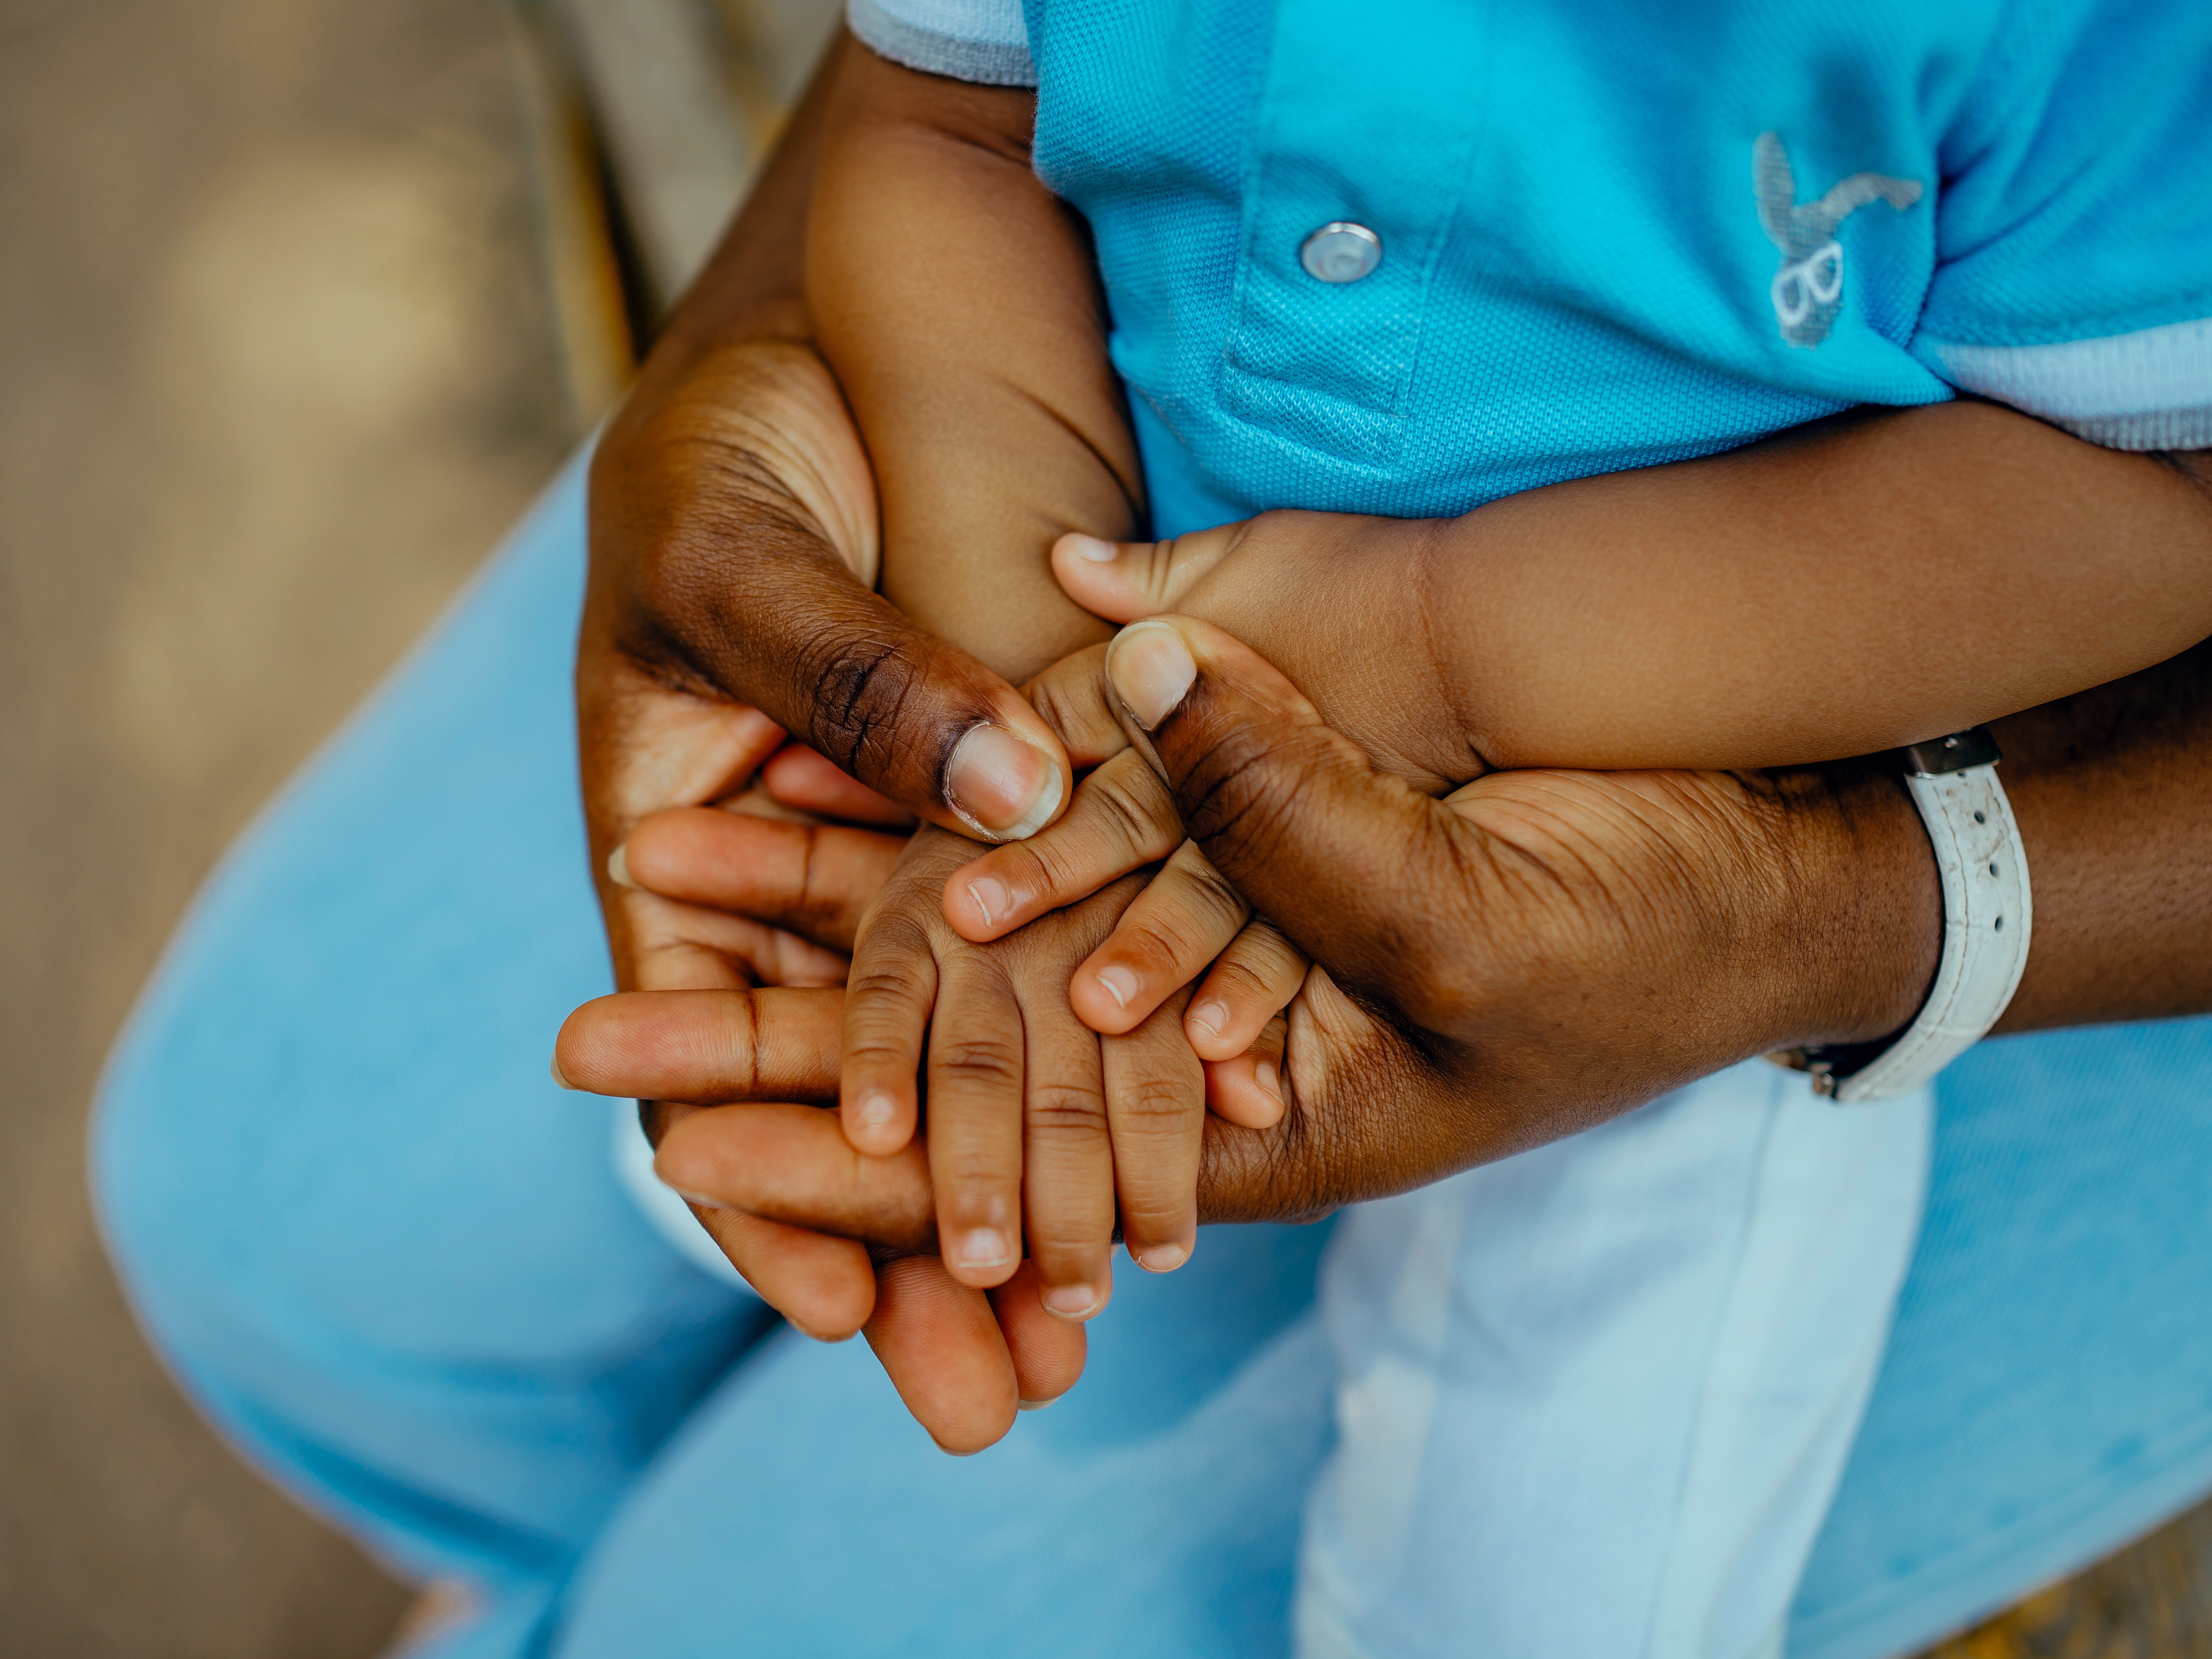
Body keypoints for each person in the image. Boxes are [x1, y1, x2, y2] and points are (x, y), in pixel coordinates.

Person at [90, 16, 2212, 1659]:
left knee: (1532, 1574)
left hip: (1714, 828)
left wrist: (1465, 669)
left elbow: (2135, 484)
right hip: (1099, 527)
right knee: (357, 1226)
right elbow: (940, 118)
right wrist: (1010, 689)